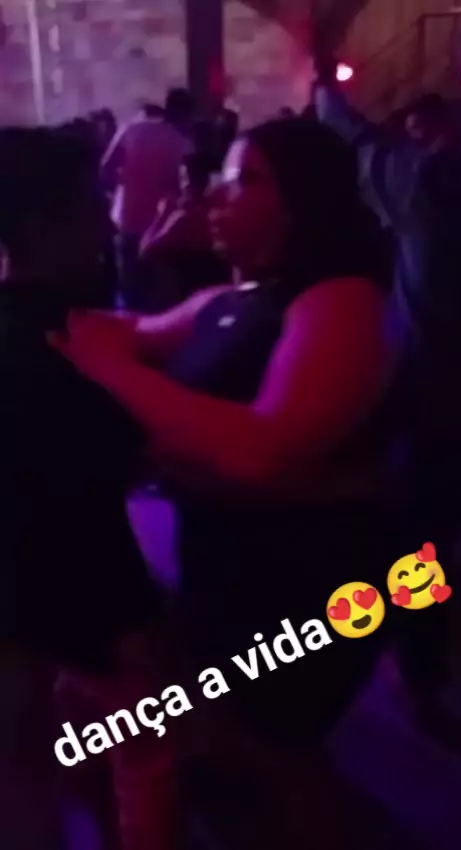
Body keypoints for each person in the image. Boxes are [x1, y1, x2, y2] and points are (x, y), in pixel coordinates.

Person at [51, 118, 397, 848]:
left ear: (302, 200)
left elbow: (263, 451)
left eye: (245, 182)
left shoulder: (339, 301)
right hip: (232, 569)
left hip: (316, 581)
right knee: (238, 734)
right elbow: (123, 334)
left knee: (284, 752)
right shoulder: (227, 299)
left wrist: (112, 371)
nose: (213, 196)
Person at [0, 127, 173, 850]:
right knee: (141, 753)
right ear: (44, 226)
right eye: (92, 202)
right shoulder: (63, 345)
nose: (107, 219)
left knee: (29, 767)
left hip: (24, 598)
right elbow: (92, 488)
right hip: (79, 598)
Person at [315, 58, 461, 711]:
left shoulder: (443, 185)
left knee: (424, 539)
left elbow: (362, 146)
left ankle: (419, 666)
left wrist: (325, 86)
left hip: (441, 402)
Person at [102, 89, 194, 307]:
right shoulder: (183, 142)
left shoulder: (132, 129)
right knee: (159, 300)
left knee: (129, 294)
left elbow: (106, 169)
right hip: (161, 228)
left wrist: (124, 190)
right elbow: (189, 186)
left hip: (126, 220)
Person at [139, 151, 230, 311]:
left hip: (182, 302)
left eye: (184, 178)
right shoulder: (219, 211)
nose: (184, 184)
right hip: (214, 300)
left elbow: (146, 251)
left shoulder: (182, 219)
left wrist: (162, 215)